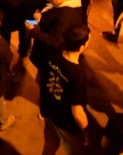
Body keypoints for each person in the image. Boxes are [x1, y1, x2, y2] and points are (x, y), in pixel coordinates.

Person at [39, 25, 92, 154]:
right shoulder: (78, 75)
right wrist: (86, 131)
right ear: (82, 47)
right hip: (65, 122)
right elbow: (77, 112)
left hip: (48, 110)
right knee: (73, 150)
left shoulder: (51, 55)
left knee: (50, 142)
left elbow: (40, 79)